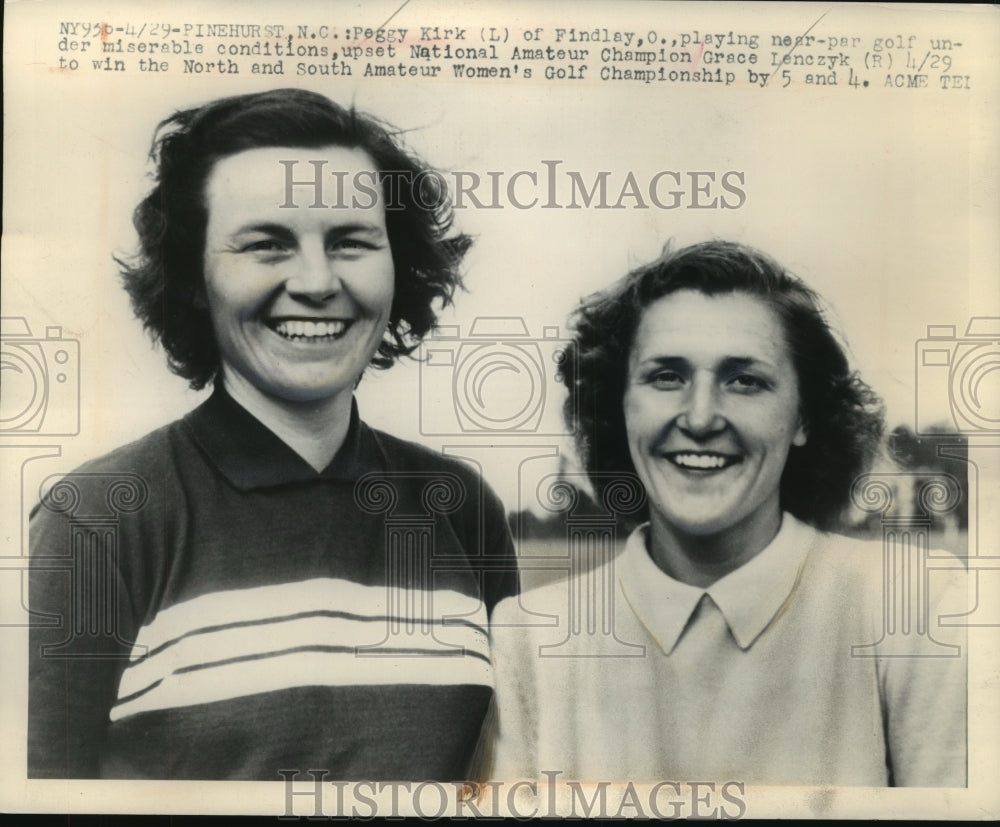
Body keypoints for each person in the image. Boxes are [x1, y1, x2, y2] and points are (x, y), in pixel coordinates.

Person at [28, 89, 517, 780]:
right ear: (196, 276)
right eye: (266, 243)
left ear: (396, 265)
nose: (317, 282)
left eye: (351, 241)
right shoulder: (98, 519)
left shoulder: (460, 505)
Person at [490, 240, 966, 786]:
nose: (699, 417)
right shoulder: (530, 637)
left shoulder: (917, 609)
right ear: (619, 407)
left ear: (804, 416)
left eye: (746, 380)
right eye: (666, 376)